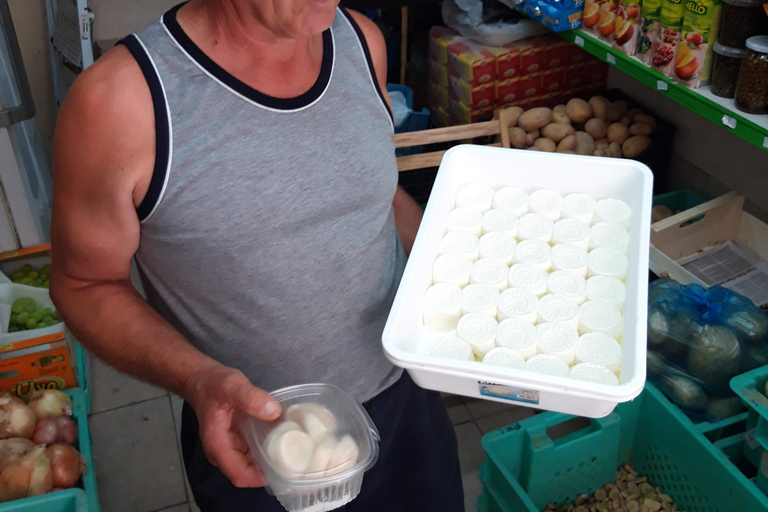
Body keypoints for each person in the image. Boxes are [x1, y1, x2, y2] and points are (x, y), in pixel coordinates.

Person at [50, 0, 464, 510]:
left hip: (406, 408)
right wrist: (197, 379)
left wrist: (457, 271)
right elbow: (84, 284)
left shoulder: (361, 41)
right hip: (256, 442)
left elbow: (374, 198)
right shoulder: (119, 102)